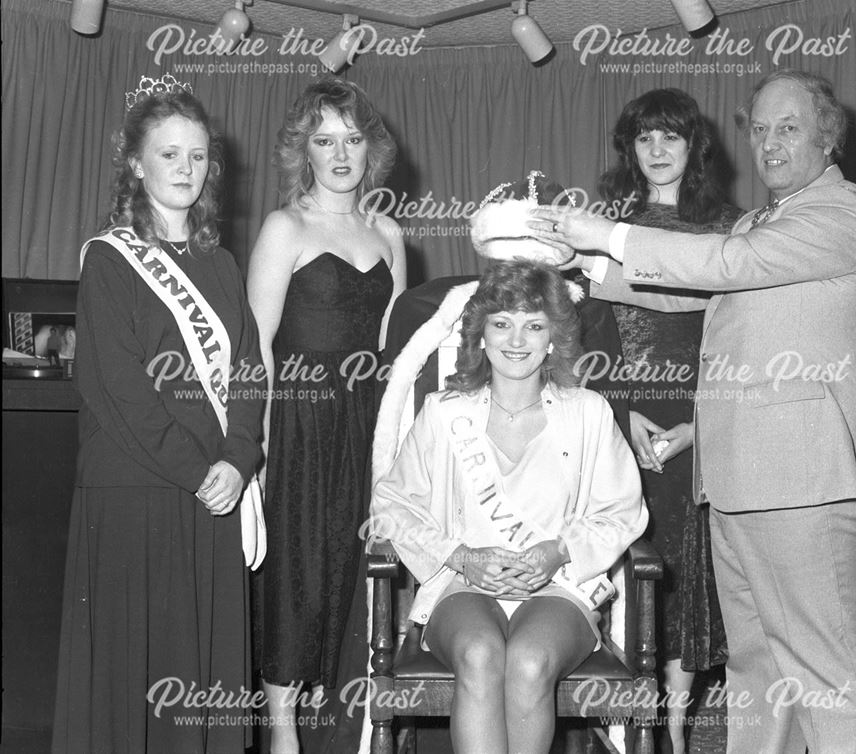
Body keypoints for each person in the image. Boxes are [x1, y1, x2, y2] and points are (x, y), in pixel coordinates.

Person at [532, 70, 856, 753]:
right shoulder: (763, 223)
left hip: (801, 483)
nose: (770, 143)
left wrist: (612, 235)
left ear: (827, 137)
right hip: (733, 482)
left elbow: (726, 262)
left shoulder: (842, 215)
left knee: (825, 671)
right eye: (759, 129)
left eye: (788, 127)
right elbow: (692, 291)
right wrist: (587, 264)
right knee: (757, 672)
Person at [52, 78, 264, 753]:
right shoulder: (109, 263)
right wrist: (201, 469)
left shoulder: (223, 265)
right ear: (137, 165)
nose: (185, 170)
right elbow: (117, 388)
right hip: (137, 495)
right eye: (168, 155)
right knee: (136, 683)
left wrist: (238, 458)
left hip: (213, 497)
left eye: (198, 157)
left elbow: (251, 373)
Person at [370, 260, 648, 754]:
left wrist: (558, 552)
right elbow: (389, 505)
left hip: (560, 586)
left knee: (529, 660)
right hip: (462, 583)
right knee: (479, 654)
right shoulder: (444, 412)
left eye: (534, 325)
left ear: (553, 338)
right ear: (480, 335)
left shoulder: (588, 412)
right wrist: (460, 556)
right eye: (502, 323)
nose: (516, 339)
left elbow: (624, 511)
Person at [247, 78, 405, 753]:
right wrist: (252, 441)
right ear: (302, 151)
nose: (340, 154)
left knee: (358, 563)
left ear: (371, 148)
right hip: (301, 422)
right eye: (324, 140)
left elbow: (402, 347)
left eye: (352, 138)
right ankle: (282, 723)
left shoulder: (390, 231)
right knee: (299, 567)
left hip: (373, 421)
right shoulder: (285, 226)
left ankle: (351, 724)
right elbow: (254, 342)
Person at [587, 88, 739, 754]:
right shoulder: (605, 225)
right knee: (629, 570)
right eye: (644, 137)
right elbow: (586, 339)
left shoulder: (728, 228)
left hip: (702, 418)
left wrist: (702, 426)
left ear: (692, 146)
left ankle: (674, 724)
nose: (656, 150)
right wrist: (626, 412)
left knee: (688, 572)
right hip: (625, 416)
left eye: (670, 137)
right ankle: (626, 717)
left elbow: (742, 343)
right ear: (630, 148)